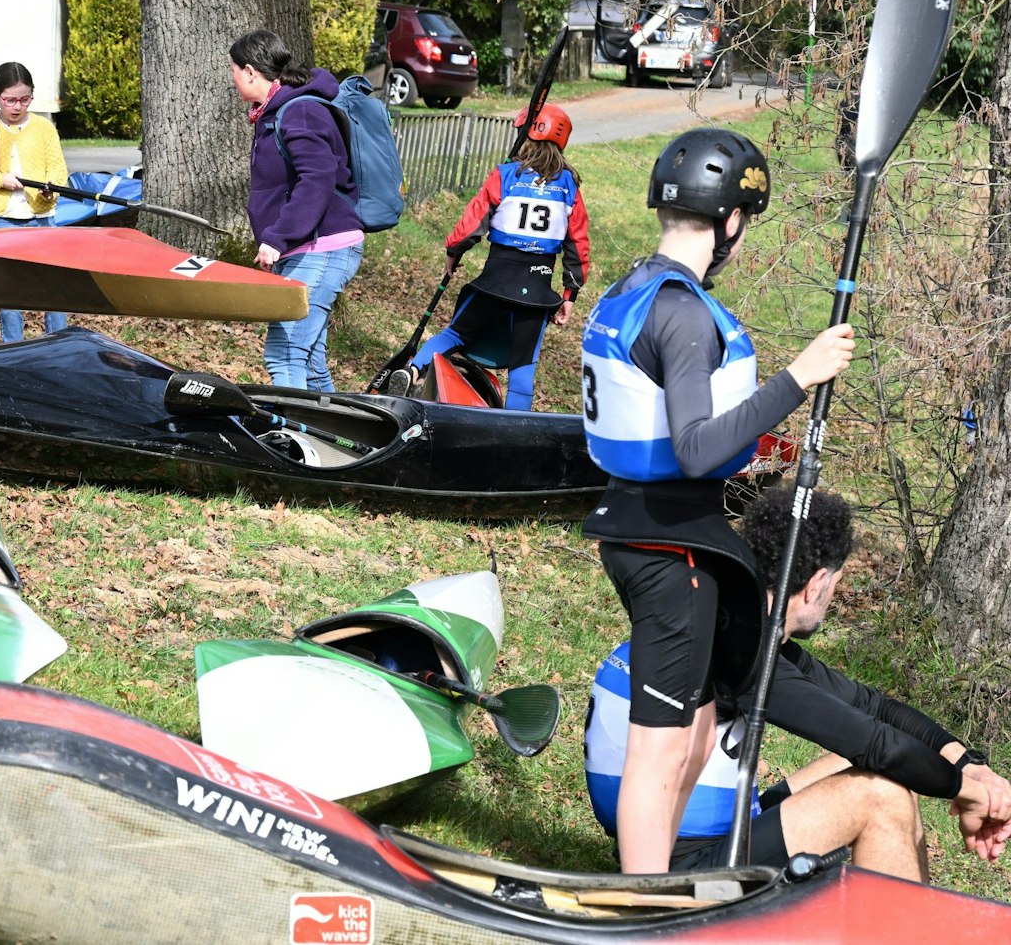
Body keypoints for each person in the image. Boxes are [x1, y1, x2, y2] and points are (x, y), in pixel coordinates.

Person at [579, 126, 857, 873]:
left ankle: (661, 878)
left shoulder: (634, 286)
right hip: (670, 543)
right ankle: (643, 902)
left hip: (652, 527)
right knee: (663, 749)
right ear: (731, 220)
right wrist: (798, 377)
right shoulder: (686, 313)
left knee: (694, 734)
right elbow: (699, 446)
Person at [584, 487, 1011, 877]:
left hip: (710, 830)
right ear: (817, 584)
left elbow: (876, 709)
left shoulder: (733, 628)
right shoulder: (744, 659)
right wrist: (970, 795)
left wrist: (969, 765)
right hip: (693, 871)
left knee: (875, 769)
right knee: (883, 793)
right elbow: (882, 746)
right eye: (836, 586)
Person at [391, 103, 591, 410]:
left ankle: (413, 369)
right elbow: (577, 244)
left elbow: (473, 222)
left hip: (496, 280)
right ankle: (514, 433)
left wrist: (453, 252)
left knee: (455, 333)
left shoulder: (506, 175)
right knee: (523, 367)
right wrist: (569, 295)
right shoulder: (569, 187)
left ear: (526, 137)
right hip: (537, 290)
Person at [230, 29, 364, 391]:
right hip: (310, 248)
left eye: (233, 71)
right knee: (311, 361)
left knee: (285, 354)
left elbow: (317, 179)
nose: (232, 79)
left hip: (325, 247)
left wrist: (278, 237)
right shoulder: (275, 112)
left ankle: (295, 442)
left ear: (250, 72)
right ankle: (343, 439)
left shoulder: (299, 111)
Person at [0, 62, 69, 342]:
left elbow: (58, 169)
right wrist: (1, 181)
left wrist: (50, 191)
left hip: (43, 217)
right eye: (10, 100)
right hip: (3, 218)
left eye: (25, 99)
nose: (17, 106)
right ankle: (13, 345)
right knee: (10, 289)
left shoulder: (44, 128)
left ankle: (57, 343)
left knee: (52, 285)